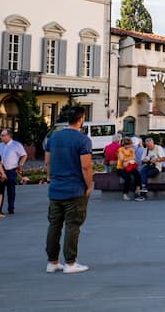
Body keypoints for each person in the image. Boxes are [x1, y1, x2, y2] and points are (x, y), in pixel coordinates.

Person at [45, 106, 93, 274]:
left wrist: (50, 177)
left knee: (54, 225)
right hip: (74, 189)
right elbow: (86, 166)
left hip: (56, 188)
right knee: (73, 225)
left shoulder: (54, 137)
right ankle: (70, 263)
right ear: (81, 119)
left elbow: (47, 161)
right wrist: (89, 185)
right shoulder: (83, 140)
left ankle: (52, 262)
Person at [0, 129, 27, 215]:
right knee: (0, 190)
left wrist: (20, 165)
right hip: (1, 170)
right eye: (1, 135)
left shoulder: (16, 145)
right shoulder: (0, 145)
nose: (1, 137)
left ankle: (11, 208)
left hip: (11, 170)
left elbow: (24, 155)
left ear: (9, 136)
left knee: (11, 190)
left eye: (3, 135)